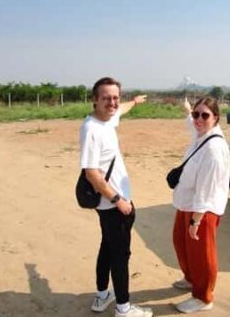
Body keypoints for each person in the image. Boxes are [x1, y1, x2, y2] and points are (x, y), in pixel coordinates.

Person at [80, 77, 152, 317]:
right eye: (106, 98)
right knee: (120, 256)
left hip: (109, 204)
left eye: (115, 98)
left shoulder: (109, 119)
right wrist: (118, 201)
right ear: (95, 100)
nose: (112, 103)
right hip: (112, 204)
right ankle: (123, 307)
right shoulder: (92, 129)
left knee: (107, 247)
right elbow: (92, 174)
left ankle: (102, 295)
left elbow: (122, 109)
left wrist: (135, 101)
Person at [171, 96, 230, 313]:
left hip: (202, 209)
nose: (198, 119)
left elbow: (208, 189)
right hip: (188, 202)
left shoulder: (213, 149)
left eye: (204, 115)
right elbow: (192, 123)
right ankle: (191, 278)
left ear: (216, 118)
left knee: (202, 253)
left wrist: (196, 219)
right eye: (196, 114)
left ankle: (203, 297)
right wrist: (188, 109)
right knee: (180, 242)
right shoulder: (201, 135)